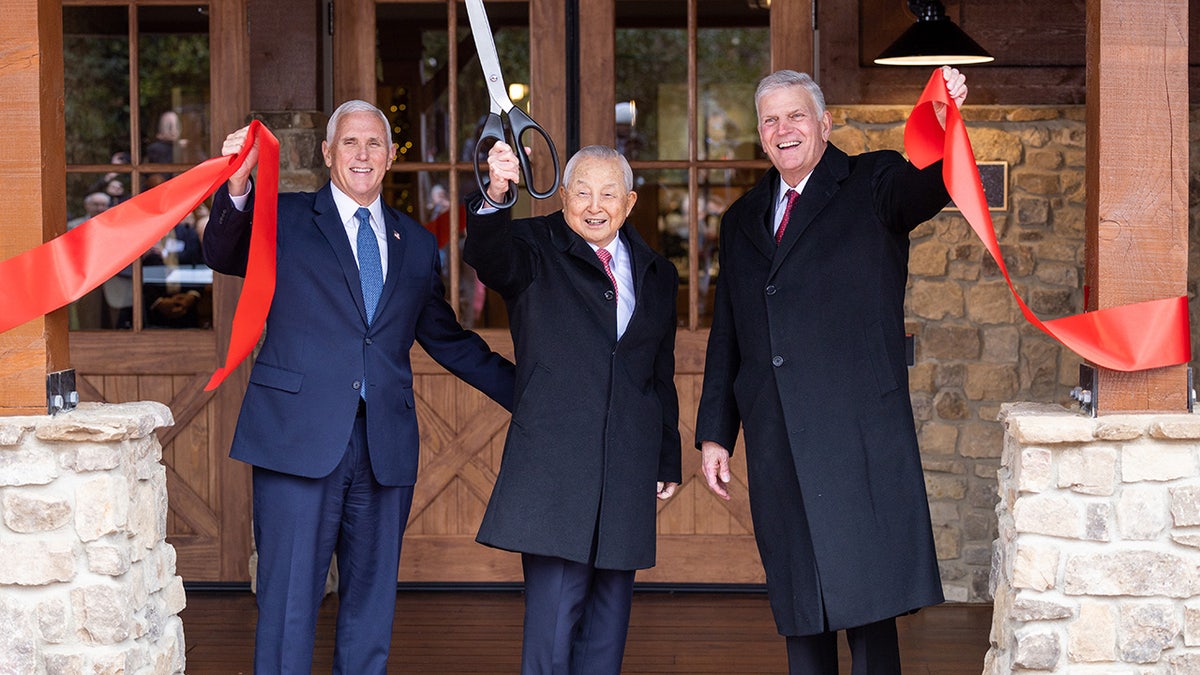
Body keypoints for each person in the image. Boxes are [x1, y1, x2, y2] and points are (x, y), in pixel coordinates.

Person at [203, 99, 516, 673]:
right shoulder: (285, 216)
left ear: (391, 156)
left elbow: (444, 337)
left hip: (384, 448)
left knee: (371, 609)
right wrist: (239, 185)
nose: (363, 154)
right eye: (350, 142)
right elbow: (221, 252)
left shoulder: (416, 244)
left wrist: (528, 394)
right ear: (327, 153)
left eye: (375, 143)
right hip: (297, 439)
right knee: (288, 606)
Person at [695, 66, 968, 674]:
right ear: (761, 135)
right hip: (778, 438)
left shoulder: (873, 179)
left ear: (823, 124)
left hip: (856, 436)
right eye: (770, 119)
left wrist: (949, 122)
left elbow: (935, 184)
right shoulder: (740, 219)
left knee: (870, 613)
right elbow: (729, 333)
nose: (783, 129)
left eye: (796, 116)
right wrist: (716, 431)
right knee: (801, 610)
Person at [465, 142, 682, 674]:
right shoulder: (532, 247)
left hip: (627, 464)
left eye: (608, 193)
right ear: (563, 197)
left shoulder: (657, 271)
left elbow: (659, 372)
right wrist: (497, 193)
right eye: (582, 191)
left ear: (629, 203)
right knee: (554, 624)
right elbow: (490, 257)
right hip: (554, 466)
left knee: (608, 624)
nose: (594, 204)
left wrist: (667, 457)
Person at [66, 192, 112, 329]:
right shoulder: (73, 225)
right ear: (87, 206)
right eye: (96, 205)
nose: (100, 208)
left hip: (113, 280)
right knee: (88, 320)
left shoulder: (116, 225)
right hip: (86, 279)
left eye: (103, 205)